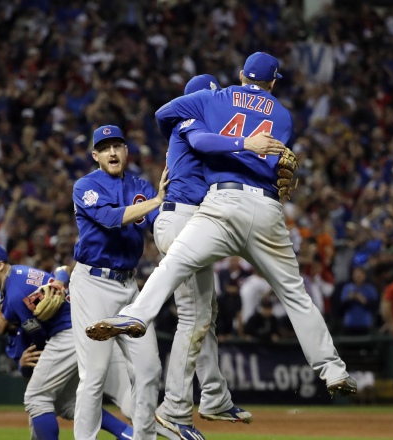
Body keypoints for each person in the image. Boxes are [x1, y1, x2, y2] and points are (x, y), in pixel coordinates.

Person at [87, 53, 357, 418]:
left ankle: (136, 315)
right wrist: (282, 174)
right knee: (294, 295)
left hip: (220, 204)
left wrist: (222, 132)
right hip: (264, 209)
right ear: (273, 82)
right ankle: (333, 369)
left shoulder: (215, 98)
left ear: (242, 75)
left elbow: (167, 116)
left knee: (177, 263)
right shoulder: (283, 115)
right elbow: (279, 169)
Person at [143, 74, 285, 435]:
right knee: (193, 317)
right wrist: (249, 146)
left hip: (183, 218)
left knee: (205, 314)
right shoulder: (192, 121)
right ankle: (173, 412)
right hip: (183, 219)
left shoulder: (203, 126)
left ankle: (214, 397)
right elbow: (209, 142)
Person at [0, 244, 134, 440]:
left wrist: (61, 280)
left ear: (1, 264)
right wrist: (61, 279)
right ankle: (128, 434)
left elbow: (38, 337)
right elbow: (62, 271)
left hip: (68, 333)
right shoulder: (22, 275)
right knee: (67, 404)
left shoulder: (13, 296)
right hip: (86, 326)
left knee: (36, 398)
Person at [70, 125, 168, 440]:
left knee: (149, 370)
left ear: (126, 151)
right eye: (106, 147)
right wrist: (156, 202)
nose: (113, 152)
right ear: (96, 155)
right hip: (93, 284)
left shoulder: (140, 185)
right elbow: (112, 219)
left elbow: (160, 226)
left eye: (118, 146)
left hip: (130, 286)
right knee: (95, 375)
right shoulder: (86, 185)